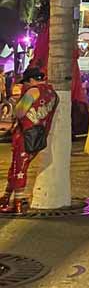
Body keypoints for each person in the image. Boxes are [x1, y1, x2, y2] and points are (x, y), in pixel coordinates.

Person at [2, 68, 58, 213]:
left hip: (26, 135)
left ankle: (17, 203)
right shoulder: (53, 93)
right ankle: (6, 197)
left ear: (32, 80)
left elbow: (19, 112)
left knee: (19, 168)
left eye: (27, 82)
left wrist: (15, 103)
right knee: (17, 166)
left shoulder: (33, 92)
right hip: (39, 136)